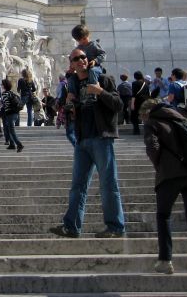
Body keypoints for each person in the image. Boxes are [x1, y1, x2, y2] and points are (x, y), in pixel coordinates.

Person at [51, 48, 125, 239]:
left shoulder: (104, 79)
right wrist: (69, 105)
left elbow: (118, 105)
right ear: (72, 64)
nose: (81, 60)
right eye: (76, 58)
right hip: (82, 139)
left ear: (88, 60)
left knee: (108, 184)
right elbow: (70, 112)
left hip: (101, 137)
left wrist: (100, 92)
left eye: (83, 57)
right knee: (77, 186)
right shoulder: (72, 85)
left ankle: (115, 226)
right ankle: (72, 226)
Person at [143, 101, 187, 295]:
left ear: (149, 111)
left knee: (164, 216)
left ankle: (165, 260)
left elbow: (152, 146)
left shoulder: (153, 123)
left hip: (170, 176)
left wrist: (161, 166)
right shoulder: (185, 120)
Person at [67, 24, 105, 103]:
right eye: (80, 40)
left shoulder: (94, 44)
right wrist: (72, 67)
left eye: (84, 38)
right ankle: (72, 96)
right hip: (84, 69)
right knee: (71, 78)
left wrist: (95, 61)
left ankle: (93, 92)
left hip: (95, 67)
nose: (83, 41)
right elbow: (73, 58)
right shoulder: (79, 48)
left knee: (92, 71)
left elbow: (103, 54)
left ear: (88, 35)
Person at [0, 78, 24, 152]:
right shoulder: (11, 93)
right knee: (9, 129)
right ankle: (12, 144)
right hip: (15, 114)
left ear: (4, 86)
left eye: (1, 85)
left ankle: (19, 145)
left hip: (10, 114)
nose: (1, 86)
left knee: (12, 131)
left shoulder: (4, 94)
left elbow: (4, 104)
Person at [130, 70, 149, 135]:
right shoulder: (145, 84)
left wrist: (132, 104)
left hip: (137, 101)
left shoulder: (135, 83)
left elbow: (134, 94)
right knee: (145, 116)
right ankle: (147, 130)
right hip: (145, 101)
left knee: (134, 116)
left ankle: (136, 130)